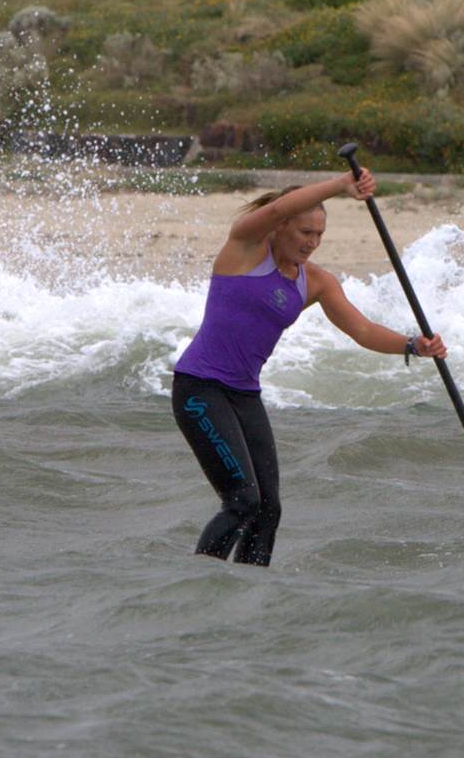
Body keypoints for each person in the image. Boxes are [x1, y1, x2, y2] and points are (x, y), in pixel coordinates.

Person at [170, 172, 446, 566]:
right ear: (280, 225)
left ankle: (248, 597)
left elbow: (363, 330)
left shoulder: (314, 282)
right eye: (304, 232)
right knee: (242, 501)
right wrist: (340, 185)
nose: (312, 243)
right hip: (199, 389)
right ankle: (196, 586)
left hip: (245, 396)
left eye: (319, 235)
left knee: (268, 510)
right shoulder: (245, 246)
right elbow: (282, 204)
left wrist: (413, 346)